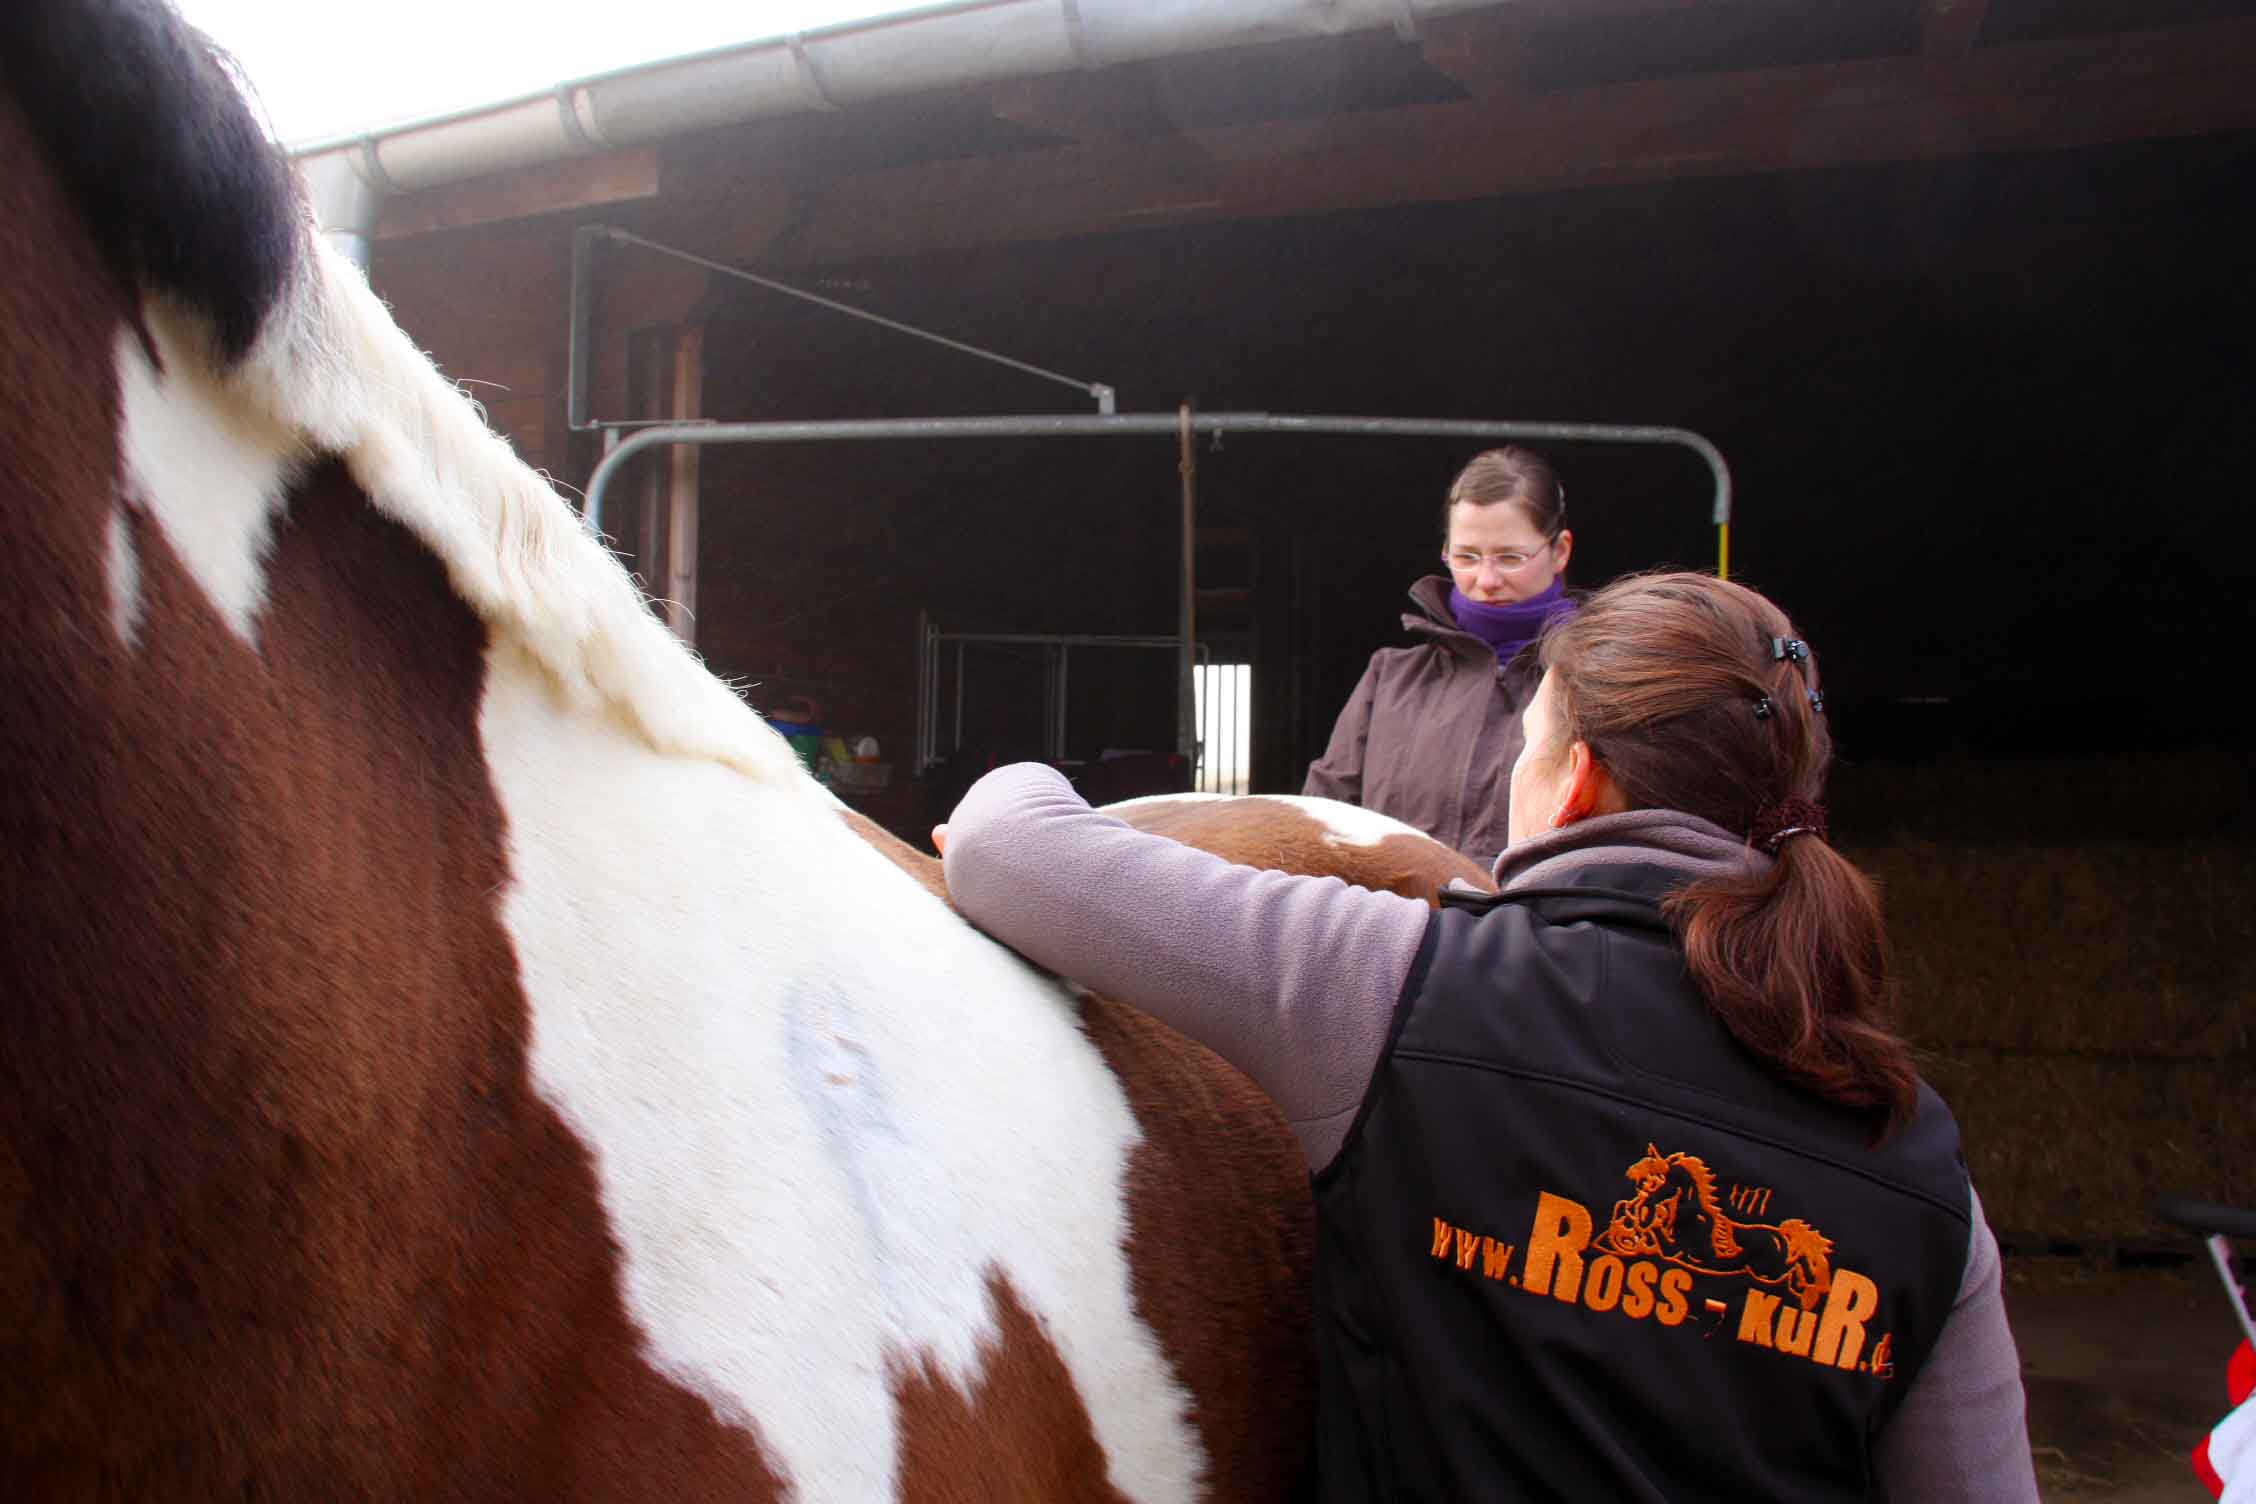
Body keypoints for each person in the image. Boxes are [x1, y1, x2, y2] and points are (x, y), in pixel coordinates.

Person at [937, 572, 2038, 1501]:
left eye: (1530, 743)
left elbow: (1001, 843)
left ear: (1577, 782)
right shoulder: (1921, 1171)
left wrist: (1062, 776)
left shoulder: (1394, 989)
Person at [1303, 446, 1576, 864]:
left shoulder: (1601, 681)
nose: (1485, 579)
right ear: (1446, 551)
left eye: (1510, 557)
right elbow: (1321, 817)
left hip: (1534, 926)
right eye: (1466, 556)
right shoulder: (1389, 677)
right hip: (1400, 925)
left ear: (1559, 551)